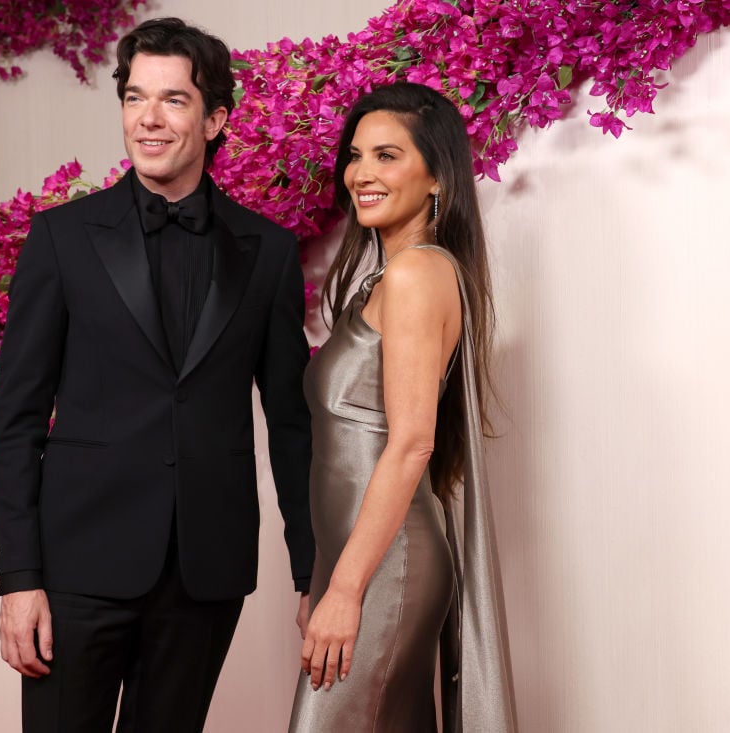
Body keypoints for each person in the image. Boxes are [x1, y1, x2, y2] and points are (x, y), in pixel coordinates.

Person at [0, 17, 315, 733]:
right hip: (75, 568)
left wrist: (311, 569)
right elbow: (15, 422)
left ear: (216, 117)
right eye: (135, 98)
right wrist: (19, 576)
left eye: (173, 100)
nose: (149, 120)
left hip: (204, 572)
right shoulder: (62, 238)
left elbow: (292, 423)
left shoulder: (268, 251)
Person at [288, 83, 517, 732]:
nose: (361, 172)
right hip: (364, 556)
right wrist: (325, 576)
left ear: (437, 175)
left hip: (388, 564)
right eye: (355, 155)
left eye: (386, 155)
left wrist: (347, 587)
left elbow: (413, 442)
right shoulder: (383, 278)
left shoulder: (418, 274)